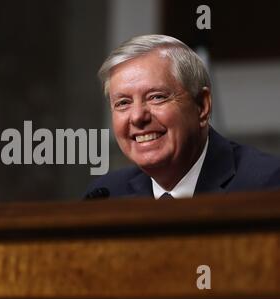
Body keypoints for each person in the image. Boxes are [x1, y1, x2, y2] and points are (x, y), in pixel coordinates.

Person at [85, 34, 280, 199]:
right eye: (123, 103)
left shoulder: (267, 186)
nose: (137, 117)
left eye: (157, 97)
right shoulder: (107, 195)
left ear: (202, 106)